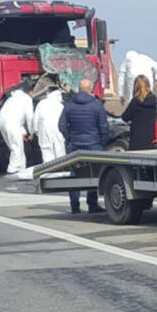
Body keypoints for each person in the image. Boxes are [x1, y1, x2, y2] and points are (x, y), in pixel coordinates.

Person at [59, 79, 108, 214]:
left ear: (79, 89)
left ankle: (74, 205)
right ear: (91, 89)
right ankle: (92, 204)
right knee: (93, 174)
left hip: (75, 144)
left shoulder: (69, 105)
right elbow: (103, 126)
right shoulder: (96, 105)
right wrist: (102, 142)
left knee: (74, 174)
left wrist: (69, 137)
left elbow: (61, 125)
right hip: (94, 144)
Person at [0, 82, 34, 174]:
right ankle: (13, 170)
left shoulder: (11, 99)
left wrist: (23, 132)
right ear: (29, 92)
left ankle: (21, 169)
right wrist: (32, 132)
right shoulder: (26, 99)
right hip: (13, 124)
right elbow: (30, 118)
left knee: (14, 148)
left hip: (2, 122)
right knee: (16, 148)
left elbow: (17, 116)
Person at [121, 75, 157, 150]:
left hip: (137, 139)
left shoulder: (135, 101)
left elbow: (125, 117)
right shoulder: (154, 101)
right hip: (150, 139)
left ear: (136, 87)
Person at [33, 88, 66, 163]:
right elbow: (64, 121)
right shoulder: (60, 106)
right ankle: (62, 167)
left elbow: (35, 120)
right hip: (58, 130)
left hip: (44, 130)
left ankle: (49, 168)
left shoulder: (41, 103)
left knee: (46, 152)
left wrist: (36, 131)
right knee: (60, 150)